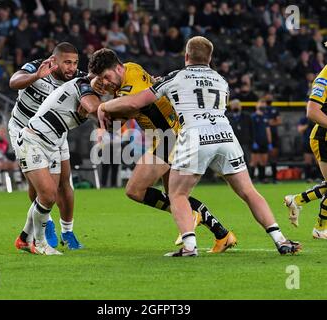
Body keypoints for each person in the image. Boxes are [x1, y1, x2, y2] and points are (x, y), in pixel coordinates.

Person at [97, 36, 301, 256]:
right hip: (225, 134)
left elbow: (136, 102)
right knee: (248, 191)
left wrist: (103, 106)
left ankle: (190, 246)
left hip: (191, 135)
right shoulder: (221, 80)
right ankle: (280, 239)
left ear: (186, 56)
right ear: (210, 58)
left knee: (176, 194)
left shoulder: (175, 76)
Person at [89, 48, 236, 253]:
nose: (105, 82)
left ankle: (194, 221)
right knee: (175, 194)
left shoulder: (130, 84)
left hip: (170, 137)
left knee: (135, 190)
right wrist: (101, 95)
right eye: (101, 79)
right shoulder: (129, 69)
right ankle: (222, 234)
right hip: (165, 136)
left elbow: (129, 109)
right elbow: (116, 124)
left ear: (118, 68)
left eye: (106, 77)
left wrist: (100, 106)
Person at [9, 42, 85, 251]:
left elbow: (95, 87)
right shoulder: (37, 67)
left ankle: (67, 232)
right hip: (24, 131)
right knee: (40, 187)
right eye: (67, 62)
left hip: (56, 134)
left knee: (64, 183)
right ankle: (46, 223)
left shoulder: (78, 79)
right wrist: (35, 77)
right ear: (54, 60)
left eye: (75, 62)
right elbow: (13, 81)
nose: (72, 67)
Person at [15, 75, 100, 255]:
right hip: (34, 140)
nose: (106, 84)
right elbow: (96, 109)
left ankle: (24, 238)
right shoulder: (82, 86)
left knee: (49, 195)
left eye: (74, 62)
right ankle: (40, 244)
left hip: (53, 144)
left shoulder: (86, 90)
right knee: (47, 195)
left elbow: (98, 117)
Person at [284, 64, 327, 238]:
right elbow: (312, 112)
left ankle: (299, 201)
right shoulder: (324, 77)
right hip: (324, 138)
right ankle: (319, 227)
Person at [249, 99, 272, 182]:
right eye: (261, 104)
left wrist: (270, 142)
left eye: (264, 104)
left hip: (264, 141)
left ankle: (262, 178)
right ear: (257, 105)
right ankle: (250, 178)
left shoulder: (265, 117)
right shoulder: (253, 117)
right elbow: (251, 130)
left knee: (263, 161)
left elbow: (268, 130)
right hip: (256, 141)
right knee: (254, 162)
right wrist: (253, 141)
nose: (262, 105)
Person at [227, 99, 253, 165]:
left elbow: (252, 129)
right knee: (233, 162)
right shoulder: (227, 117)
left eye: (237, 105)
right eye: (234, 105)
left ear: (240, 106)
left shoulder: (247, 116)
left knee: (246, 161)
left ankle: (248, 175)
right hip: (232, 144)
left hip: (245, 143)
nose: (236, 107)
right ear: (231, 107)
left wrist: (252, 141)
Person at [264, 93, 281, 183]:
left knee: (274, 156)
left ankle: (274, 178)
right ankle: (263, 178)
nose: (269, 98)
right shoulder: (263, 109)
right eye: (267, 97)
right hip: (263, 136)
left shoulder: (275, 109)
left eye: (270, 97)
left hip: (274, 135)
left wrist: (269, 123)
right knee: (263, 156)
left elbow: (278, 121)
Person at [298, 113, 316, 182]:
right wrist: (307, 125)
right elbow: (300, 130)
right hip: (307, 142)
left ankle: (319, 177)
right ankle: (308, 177)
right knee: (308, 161)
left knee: (318, 161)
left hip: (317, 141)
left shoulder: (319, 118)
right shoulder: (304, 119)